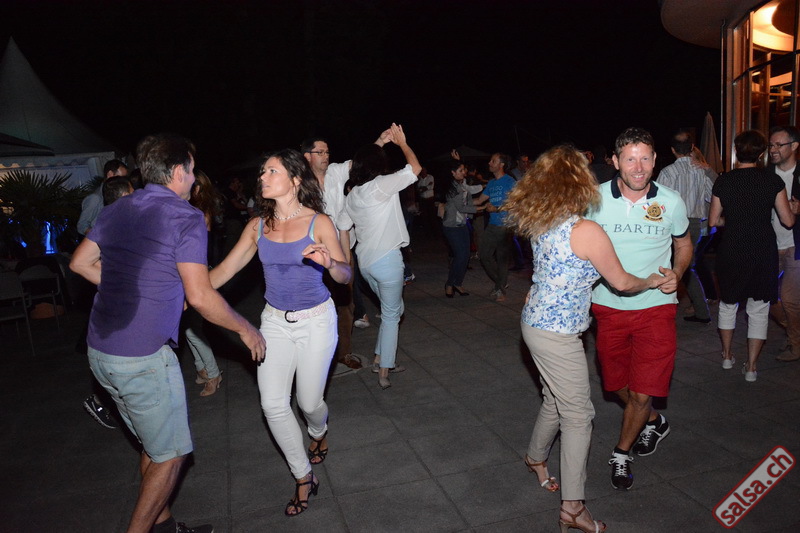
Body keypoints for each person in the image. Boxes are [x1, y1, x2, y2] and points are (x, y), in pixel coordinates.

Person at [70, 133, 265, 533]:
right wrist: (246, 329)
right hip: (142, 358)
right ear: (178, 172)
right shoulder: (184, 217)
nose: (194, 178)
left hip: (101, 352)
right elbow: (201, 296)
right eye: (191, 170)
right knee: (171, 456)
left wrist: (133, 289)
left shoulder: (118, 209)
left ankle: (166, 528)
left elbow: (81, 263)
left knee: (153, 446)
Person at [505, 145, 666, 533]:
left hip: (535, 323)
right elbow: (622, 282)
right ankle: (573, 508)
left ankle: (535, 457)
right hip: (557, 335)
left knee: (554, 398)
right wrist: (652, 280)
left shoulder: (542, 220)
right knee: (579, 415)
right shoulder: (585, 230)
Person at [210, 149, 351, 517]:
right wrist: (186, 293)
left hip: (317, 321)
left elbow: (345, 275)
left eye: (271, 171)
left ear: (295, 179)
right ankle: (303, 476)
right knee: (273, 405)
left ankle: (318, 431)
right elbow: (223, 272)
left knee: (309, 403)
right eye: (262, 171)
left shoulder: (319, 222)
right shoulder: (257, 226)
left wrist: (330, 263)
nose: (262, 177)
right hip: (274, 321)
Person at [588, 127, 691, 491]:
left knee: (643, 392)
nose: (638, 167)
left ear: (655, 159)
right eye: (630, 159)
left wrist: (678, 273)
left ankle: (621, 453)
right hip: (607, 307)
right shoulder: (594, 199)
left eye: (645, 158)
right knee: (617, 384)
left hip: (656, 307)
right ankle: (653, 421)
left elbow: (684, 244)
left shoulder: (671, 201)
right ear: (615, 161)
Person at [338, 123, 422, 389]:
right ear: (379, 164)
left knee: (393, 310)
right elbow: (415, 169)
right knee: (392, 315)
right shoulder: (381, 186)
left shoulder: (353, 195)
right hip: (387, 261)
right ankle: (384, 369)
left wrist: (346, 259)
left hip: (365, 263)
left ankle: (379, 357)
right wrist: (402, 143)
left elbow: (342, 227)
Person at [710, 130, 795, 381]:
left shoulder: (724, 181)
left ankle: (727, 356)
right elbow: (788, 221)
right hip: (762, 249)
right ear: (761, 154)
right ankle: (751, 367)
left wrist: (734, 220)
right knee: (759, 308)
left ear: (737, 152)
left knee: (728, 304)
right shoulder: (772, 181)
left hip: (732, 248)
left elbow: (713, 221)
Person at [656, 130, 714, 323]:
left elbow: (658, 203)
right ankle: (699, 310)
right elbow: (712, 196)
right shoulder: (701, 171)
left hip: (672, 224)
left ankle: (698, 311)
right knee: (686, 266)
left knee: (676, 267)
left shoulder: (667, 172)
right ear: (692, 148)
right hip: (695, 224)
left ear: (673, 150)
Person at [185, 170, 224, 396]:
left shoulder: (198, 214)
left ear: (197, 189)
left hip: (198, 275)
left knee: (193, 329)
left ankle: (213, 373)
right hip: (192, 273)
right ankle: (202, 369)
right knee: (187, 328)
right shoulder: (195, 211)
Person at [767, 126, 800, 362]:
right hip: (770, 245)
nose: (773, 149)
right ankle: (794, 331)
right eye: (771, 145)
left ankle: (795, 345)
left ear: (794, 146)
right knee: (767, 297)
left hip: (795, 246)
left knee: (789, 299)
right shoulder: (765, 175)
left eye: (779, 145)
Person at [476, 153, 516, 301]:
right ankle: (501, 283)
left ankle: (500, 289)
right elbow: (479, 200)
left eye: (493, 161)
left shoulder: (510, 181)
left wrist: (497, 208)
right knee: (484, 255)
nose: (489, 163)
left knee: (501, 258)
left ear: (501, 165)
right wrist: (458, 201)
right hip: (493, 225)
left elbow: (516, 203)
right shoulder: (492, 183)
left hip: (505, 225)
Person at [440, 158, 483, 297]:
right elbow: (462, 207)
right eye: (461, 170)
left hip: (462, 224)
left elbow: (470, 195)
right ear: (453, 173)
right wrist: (481, 208)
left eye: (464, 169)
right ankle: (450, 284)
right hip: (451, 226)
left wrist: (457, 160)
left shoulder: (462, 184)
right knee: (460, 255)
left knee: (465, 256)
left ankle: (457, 283)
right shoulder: (452, 188)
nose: (464, 172)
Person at [77, 159, 129, 236]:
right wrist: (100, 238)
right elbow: (82, 226)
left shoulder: (115, 196)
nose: (124, 182)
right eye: (121, 178)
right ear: (110, 174)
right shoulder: (95, 198)